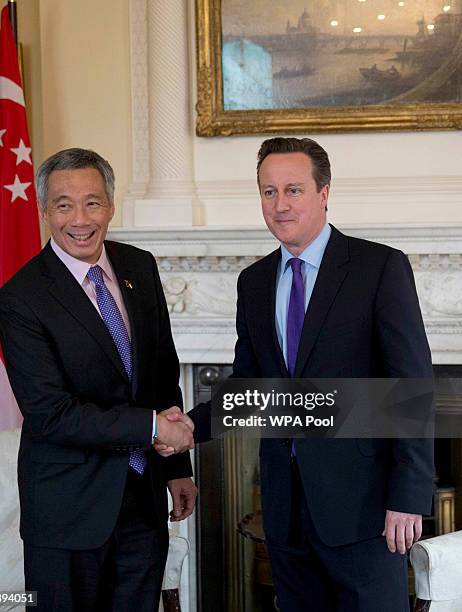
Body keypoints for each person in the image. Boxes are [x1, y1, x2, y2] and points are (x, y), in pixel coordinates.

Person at [175, 137, 434, 611]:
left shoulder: (378, 268)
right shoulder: (253, 283)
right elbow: (252, 387)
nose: (280, 204)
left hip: (367, 511)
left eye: (293, 189)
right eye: (268, 192)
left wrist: (409, 496)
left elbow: (411, 387)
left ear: (324, 192)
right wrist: (190, 427)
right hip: (286, 511)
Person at [0, 148, 197, 612]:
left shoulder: (139, 267)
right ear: (44, 211)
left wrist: (175, 469)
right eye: (64, 204)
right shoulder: (20, 299)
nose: (80, 219)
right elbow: (52, 414)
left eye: (92, 202)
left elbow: (162, 372)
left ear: (110, 204)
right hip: (69, 512)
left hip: (143, 506)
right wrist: (152, 429)